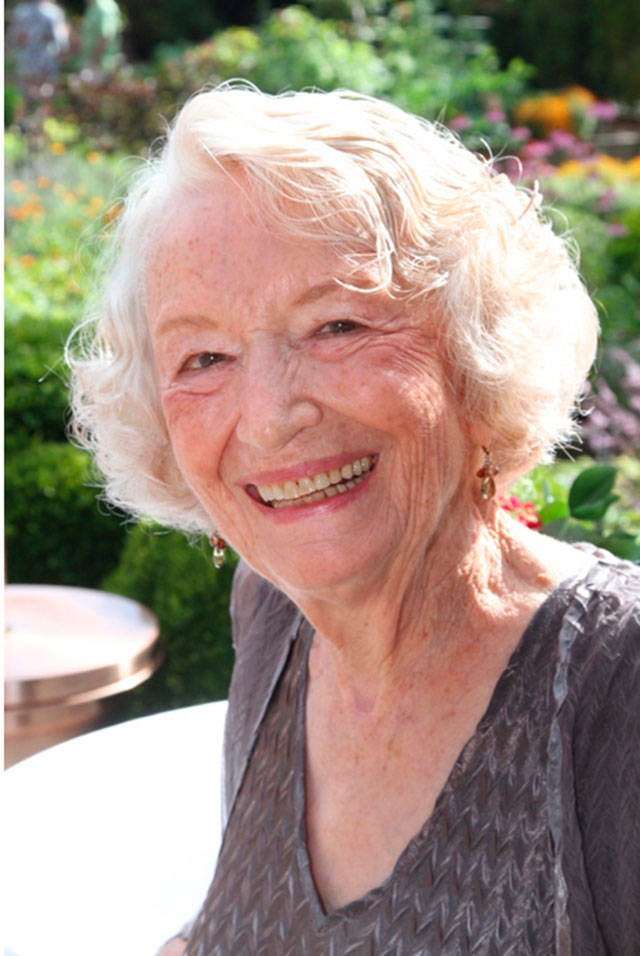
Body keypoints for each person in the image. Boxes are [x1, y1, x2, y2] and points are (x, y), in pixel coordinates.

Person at [68, 85, 640, 954]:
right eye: (206, 357)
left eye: (336, 325)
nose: (269, 418)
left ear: (474, 354)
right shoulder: (273, 612)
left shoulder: (615, 687)